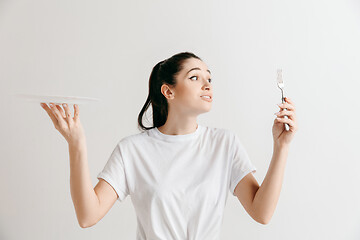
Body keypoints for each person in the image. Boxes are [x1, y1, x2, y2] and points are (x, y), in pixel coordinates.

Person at [40, 51, 298, 239]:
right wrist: (77, 144)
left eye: (209, 78)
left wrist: (281, 147)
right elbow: (88, 216)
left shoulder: (224, 144)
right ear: (168, 91)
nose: (208, 84)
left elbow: (261, 213)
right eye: (195, 77)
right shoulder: (133, 150)